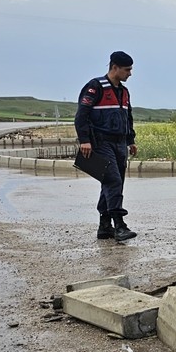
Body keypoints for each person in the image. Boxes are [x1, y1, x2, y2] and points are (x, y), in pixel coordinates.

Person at [74, 51, 138, 242]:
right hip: (100, 142)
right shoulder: (95, 87)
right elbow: (81, 115)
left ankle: (104, 226)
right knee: (113, 181)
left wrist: (131, 140)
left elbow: (128, 117)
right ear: (114, 67)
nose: (130, 73)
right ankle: (119, 226)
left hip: (119, 143)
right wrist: (84, 140)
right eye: (127, 70)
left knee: (111, 182)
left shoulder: (124, 92)